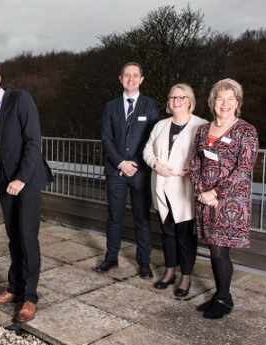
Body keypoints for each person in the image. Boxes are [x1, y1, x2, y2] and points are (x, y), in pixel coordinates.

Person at [0, 63, 53, 323]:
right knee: (14, 237)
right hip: (7, 183)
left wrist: (21, 178)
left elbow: (33, 142)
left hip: (26, 179)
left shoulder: (20, 99)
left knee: (28, 238)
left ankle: (30, 297)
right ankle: (15, 288)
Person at [190, 78, 258, 319]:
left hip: (229, 202)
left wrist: (215, 193)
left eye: (231, 98)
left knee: (220, 252)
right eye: (220, 98)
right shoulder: (202, 130)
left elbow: (244, 169)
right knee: (212, 249)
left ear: (237, 102)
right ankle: (220, 293)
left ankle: (224, 299)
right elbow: (195, 162)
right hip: (205, 201)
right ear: (213, 102)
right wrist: (200, 191)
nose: (225, 103)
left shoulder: (246, 131)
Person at [97, 62, 160, 279]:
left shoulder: (151, 106)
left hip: (140, 172)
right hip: (116, 172)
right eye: (127, 75)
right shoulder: (110, 106)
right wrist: (120, 163)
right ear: (120, 78)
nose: (131, 79)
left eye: (135, 76)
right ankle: (111, 258)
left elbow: (152, 140)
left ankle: (144, 262)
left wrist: (133, 164)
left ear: (141, 79)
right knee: (114, 217)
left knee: (141, 218)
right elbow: (106, 138)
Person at [143, 83, 207, 297]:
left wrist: (197, 167)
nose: (176, 101)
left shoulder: (202, 125)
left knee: (185, 234)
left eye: (181, 97)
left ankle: (185, 277)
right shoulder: (161, 125)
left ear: (189, 100)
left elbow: (208, 155)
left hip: (185, 187)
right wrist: (155, 164)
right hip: (162, 185)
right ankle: (169, 271)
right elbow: (147, 149)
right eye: (172, 98)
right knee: (167, 232)